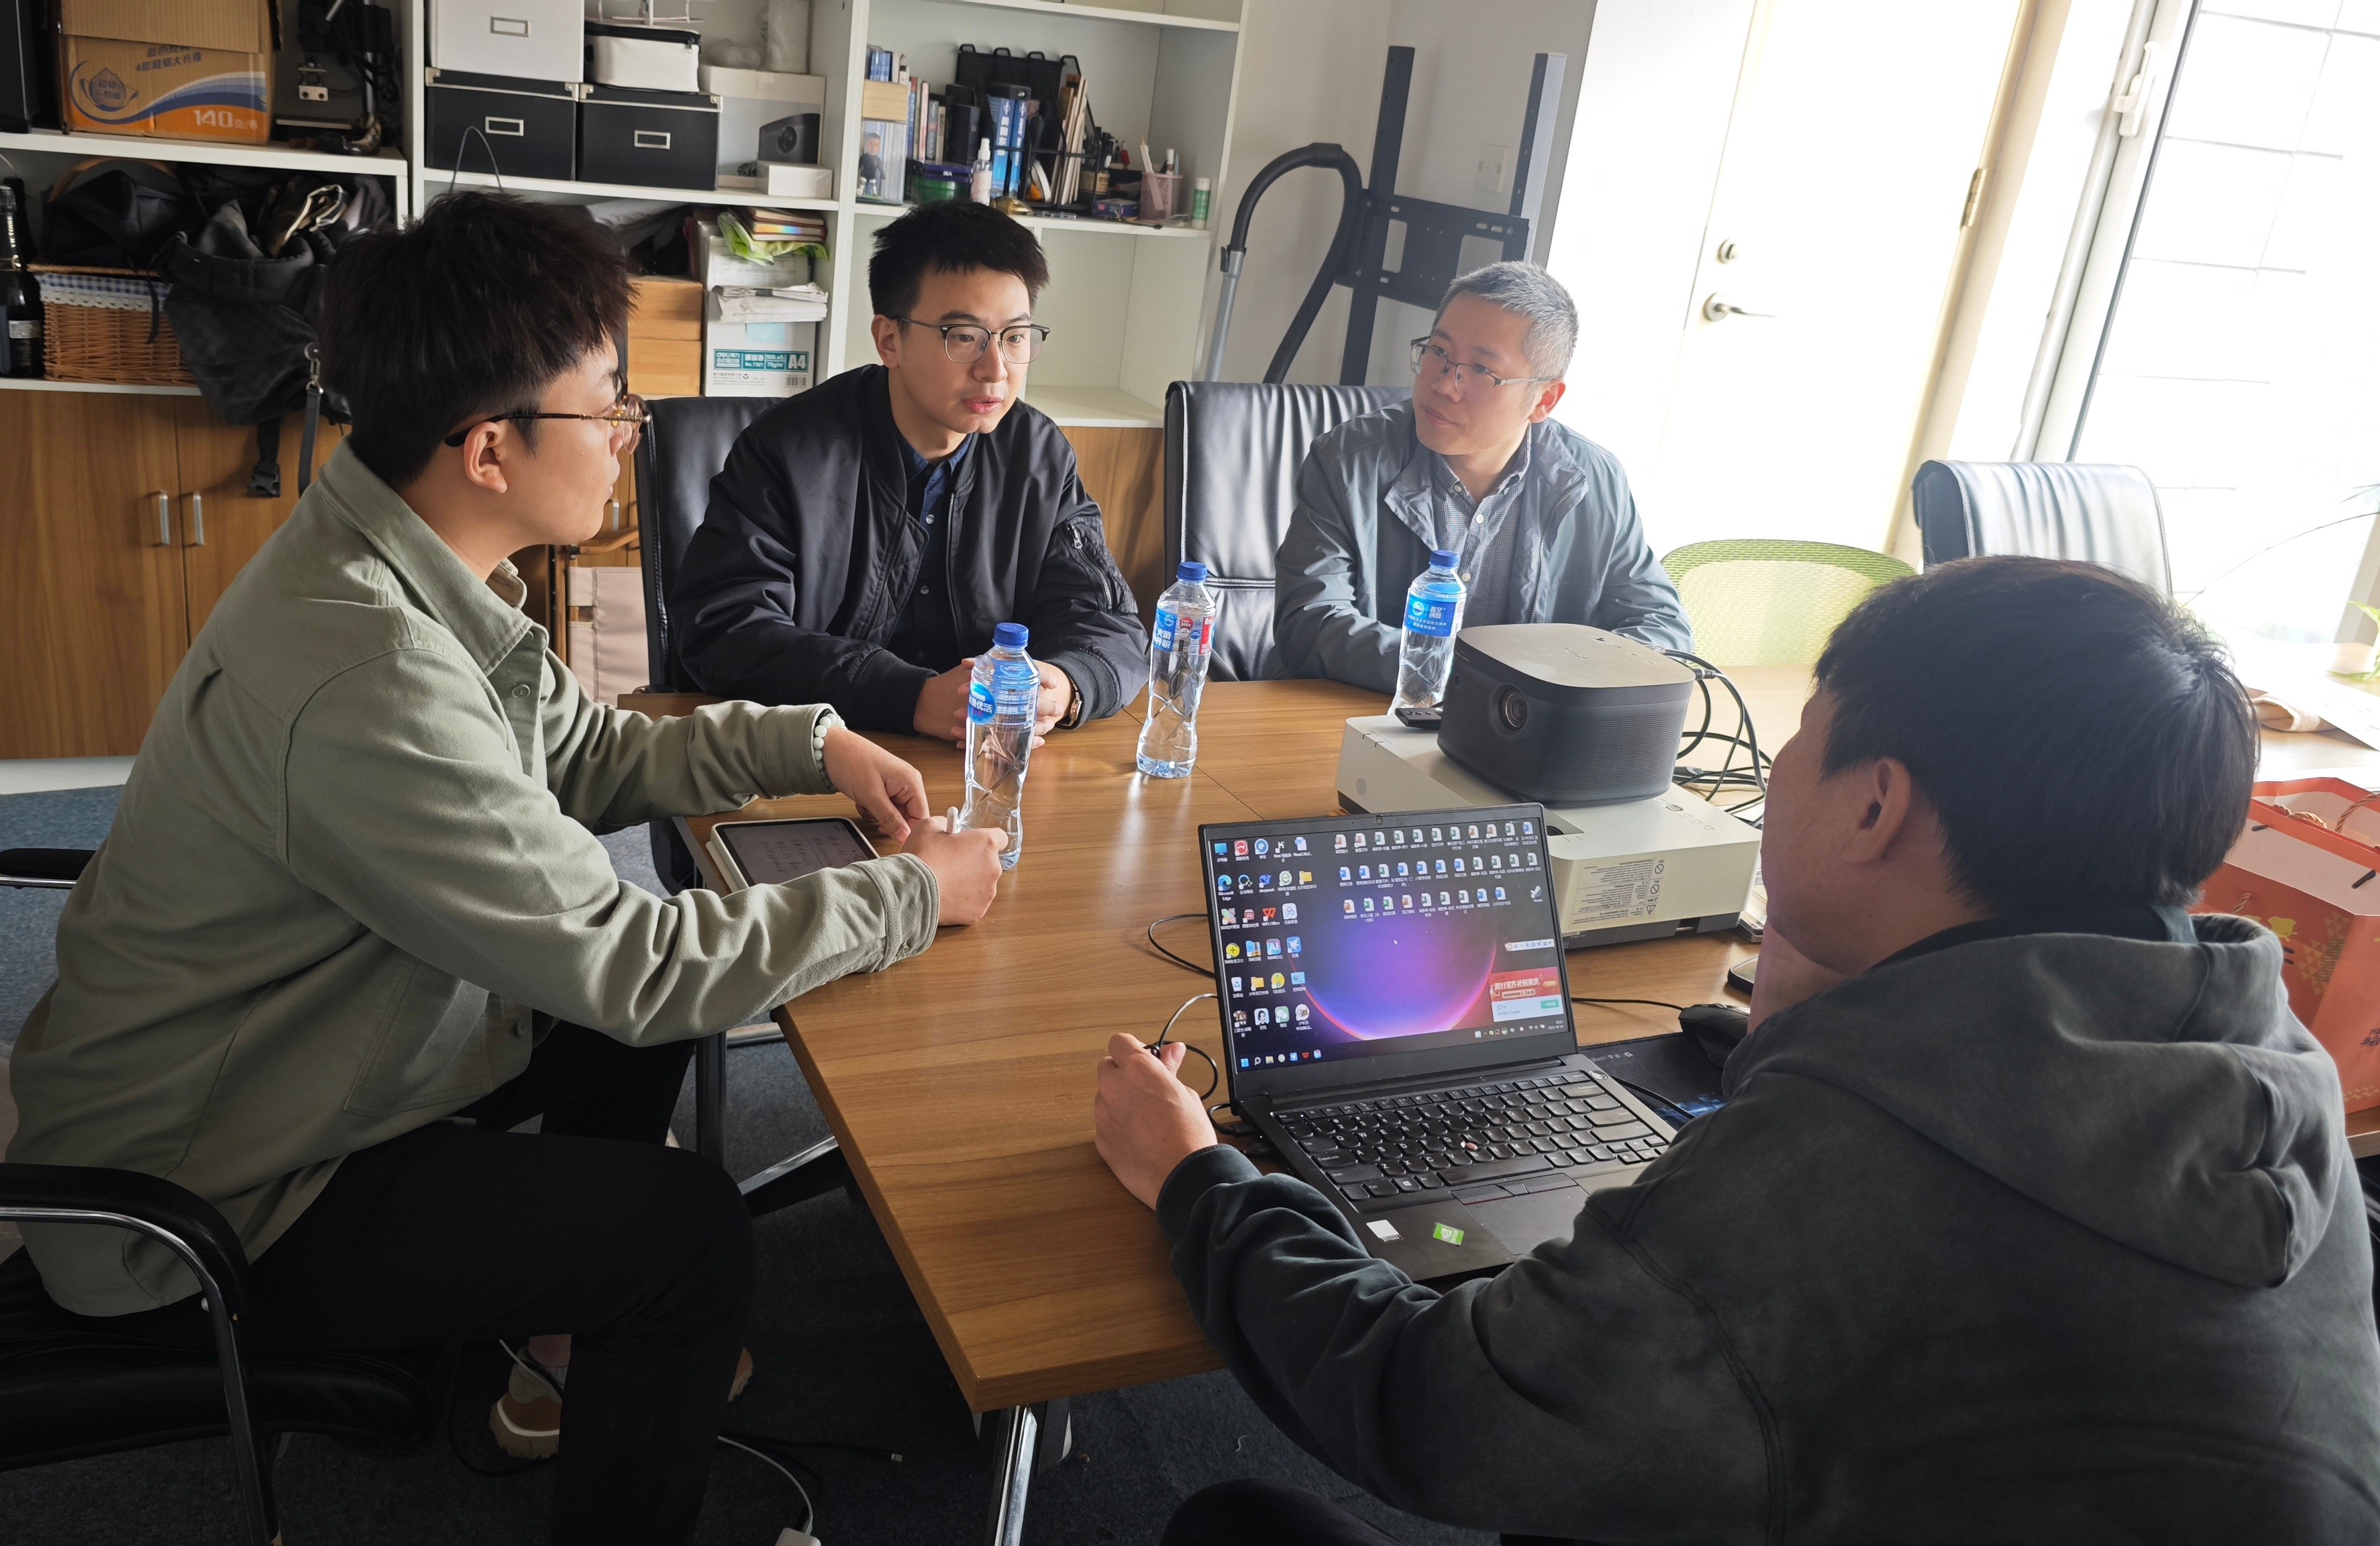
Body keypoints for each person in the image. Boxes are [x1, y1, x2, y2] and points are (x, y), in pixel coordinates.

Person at [5, 191, 1008, 1546]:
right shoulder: (369, 674)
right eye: (609, 409)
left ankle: (558, 1340)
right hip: (200, 1194)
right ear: (488, 448)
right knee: (688, 1233)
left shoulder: (393, 550)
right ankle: (608, 1354)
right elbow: (636, 968)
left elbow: (581, 753)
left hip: (297, 1055)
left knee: (626, 1038)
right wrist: (912, 894)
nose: (629, 437)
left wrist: (807, 740)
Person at [1097, 556, 2380, 1543]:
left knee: (1235, 1521)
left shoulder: (1830, 1169)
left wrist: (1199, 1181)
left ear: (1876, 804)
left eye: (1802, 734)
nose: (1776, 762)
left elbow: (1430, 1404)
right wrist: (1802, 1039)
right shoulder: (2269, 1062)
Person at [671, 200, 1145, 745]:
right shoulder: (788, 451)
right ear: (889, 340)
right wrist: (908, 696)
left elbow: (1108, 621)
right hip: (820, 755)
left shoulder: (1039, 456)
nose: (995, 369)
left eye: (1015, 337)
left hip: (984, 760)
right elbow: (727, 630)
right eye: (963, 335)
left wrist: (1063, 685)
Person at [1274, 261, 1691, 690]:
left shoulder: (1594, 481)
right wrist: (1479, 680)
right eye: (1438, 352)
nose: (1443, 385)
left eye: (1481, 371)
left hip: (1529, 724)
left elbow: (1661, 627)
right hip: (1368, 713)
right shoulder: (1347, 462)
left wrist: (1555, 689)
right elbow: (1309, 624)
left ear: (1544, 400)